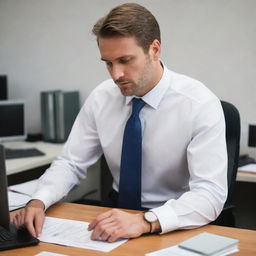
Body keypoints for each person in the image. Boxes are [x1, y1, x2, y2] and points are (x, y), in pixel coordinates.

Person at [12, 3, 227, 243]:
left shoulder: (199, 104)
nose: (116, 75)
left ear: (154, 50)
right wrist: (39, 200)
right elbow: (71, 163)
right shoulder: (102, 97)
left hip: (174, 220)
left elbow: (210, 195)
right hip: (115, 216)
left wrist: (146, 221)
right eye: (108, 63)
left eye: (125, 60)